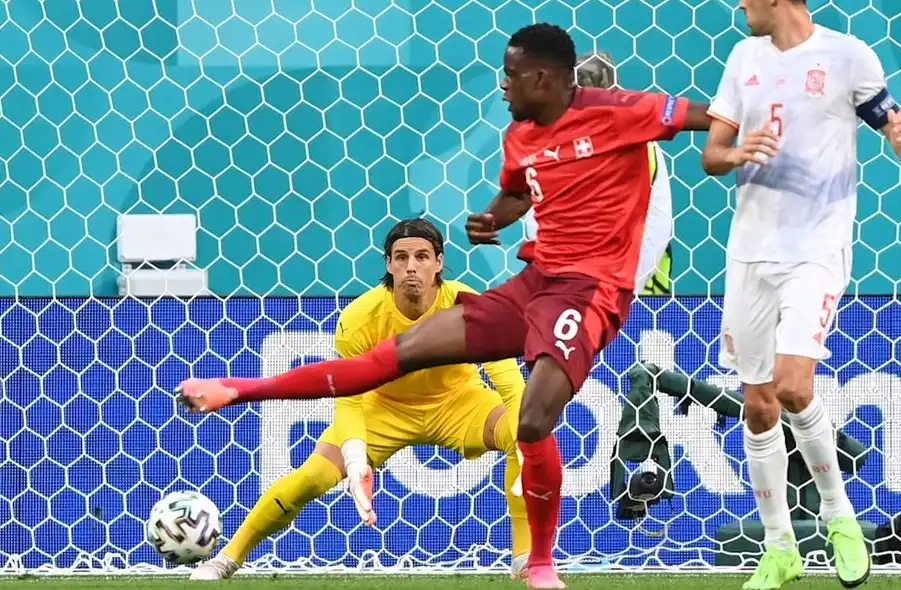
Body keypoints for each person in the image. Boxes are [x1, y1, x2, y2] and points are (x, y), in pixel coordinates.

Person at [177, 23, 711, 589]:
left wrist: (744, 143)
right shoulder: (364, 310)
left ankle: (537, 563)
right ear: (388, 265)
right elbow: (515, 192)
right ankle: (231, 488)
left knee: (529, 423)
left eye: (509, 72)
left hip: (547, 327)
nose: (502, 83)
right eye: (400, 257)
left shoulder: (620, 114)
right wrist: (494, 218)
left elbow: (708, 118)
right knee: (348, 425)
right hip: (428, 373)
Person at [700, 1, 901, 589]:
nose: (739, 4)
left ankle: (839, 519)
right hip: (749, 252)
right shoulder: (743, 57)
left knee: (795, 386)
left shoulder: (848, 55)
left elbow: (896, 130)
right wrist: (736, 152)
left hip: (816, 250)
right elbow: (711, 155)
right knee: (757, 405)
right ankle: (779, 548)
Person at [188, 219, 530, 581]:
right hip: (383, 410)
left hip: (458, 403)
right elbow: (348, 395)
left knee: (524, 435)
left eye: (421, 256)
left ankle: (525, 557)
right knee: (313, 476)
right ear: (388, 264)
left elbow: (507, 379)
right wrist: (354, 462)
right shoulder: (359, 317)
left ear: (439, 262)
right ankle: (227, 558)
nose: (411, 266)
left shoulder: (468, 305)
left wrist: (528, 439)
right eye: (401, 257)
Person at [519, 51, 675, 296]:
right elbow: (537, 217)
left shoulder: (642, 144)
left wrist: (625, 289)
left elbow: (657, 222)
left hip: (637, 292)